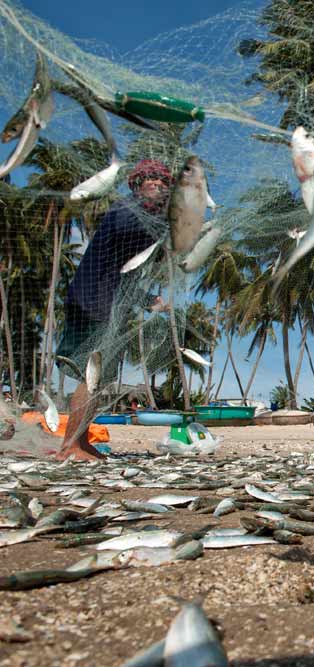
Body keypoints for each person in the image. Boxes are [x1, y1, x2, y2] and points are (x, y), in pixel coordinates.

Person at [54, 159, 172, 461]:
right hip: (96, 302)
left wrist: (148, 300)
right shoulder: (127, 210)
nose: (157, 186)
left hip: (99, 299)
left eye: (162, 183)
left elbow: (123, 272)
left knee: (100, 377)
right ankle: (69, 447)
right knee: (93, 375)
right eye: (150, 181)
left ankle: (79, 442)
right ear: (137, 185)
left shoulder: (140, 218)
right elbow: (130, 233)